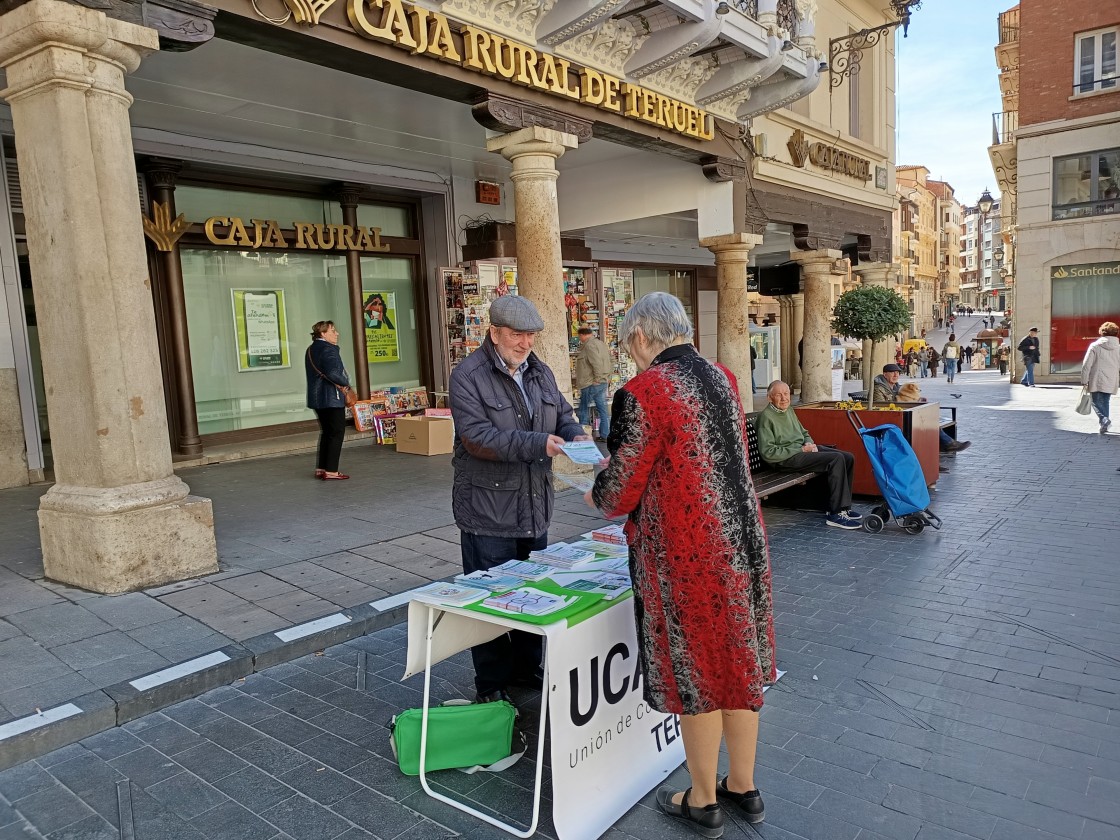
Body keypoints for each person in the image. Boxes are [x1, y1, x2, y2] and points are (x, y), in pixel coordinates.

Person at [586, 292, 775, 836]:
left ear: (643, 337)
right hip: (741, 542)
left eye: (629, 346)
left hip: (686, 553)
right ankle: (744, 784)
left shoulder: (643, 392)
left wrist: (595, 489)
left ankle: (702, 797)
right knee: (737, 662)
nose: (631, 357)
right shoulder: (722, 376)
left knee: (697, 672)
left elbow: (621, 489)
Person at [449, 295, 589, 704]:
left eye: (531, 335)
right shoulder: (468, 375)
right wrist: (538, 443)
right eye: (516, 335)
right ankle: (491, 684)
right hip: (487, 512)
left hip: (533, 507)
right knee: (490, 603)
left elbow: (562, 412)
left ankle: (527, 670)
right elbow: (477, 438)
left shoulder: (539, 371)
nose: (525, 343)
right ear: (494, 333)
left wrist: (574, 432)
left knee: (533, 597)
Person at [758, 381, 862, 530]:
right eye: (778, 395)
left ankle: (844, 507)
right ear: (769, 398)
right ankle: (835, 513)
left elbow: (804, 433)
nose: (784, 398)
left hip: (801, 451)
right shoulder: (766, 418)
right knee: (836, 460)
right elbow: (769, 453)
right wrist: (801, 450)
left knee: (848, 457)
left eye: (786, 394)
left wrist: (808, 444)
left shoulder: (789, 410)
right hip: (784, 459)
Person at [874, 364, 970, 452]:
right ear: (885, 374)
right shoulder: (879, 388)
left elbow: (904, 399)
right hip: (890, 418)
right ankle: (948, 444)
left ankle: (939, 454)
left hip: (902, 415)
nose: (896, 375)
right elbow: (880, 406)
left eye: (898, 372)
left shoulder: (897, 386)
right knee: (925, 423)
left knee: (928, 422)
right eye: (892, 372)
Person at [305, 320, 352, 480]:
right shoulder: (328, 349)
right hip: (331, 397)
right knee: (337, 432)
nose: (337, 333)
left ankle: (322, 468)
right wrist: (346, 384)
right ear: (323, 333)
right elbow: (333, 373)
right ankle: (331, 471)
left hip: (317, 398)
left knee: (327, 432)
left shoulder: (311, 349)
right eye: (333, 330)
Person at [574, 326, 613, 442]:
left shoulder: (589, 345)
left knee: (584, 409)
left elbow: (596, 363)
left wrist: (598, 378)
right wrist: (607, 377)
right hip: (602, 382)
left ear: (582, 335)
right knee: (602, 409)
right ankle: (605, 434)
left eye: (579, 337)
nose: (579, 339)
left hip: (591, 383)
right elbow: (610, 360)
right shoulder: (600, 344)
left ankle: (584, 437)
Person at [1081, 321, 1120, 433]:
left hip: (1097, 377)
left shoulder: (1095, 346)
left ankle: (1104, 419)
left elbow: (1086, 364)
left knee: (1094, 401)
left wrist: (1084, 380)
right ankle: (1104, 425)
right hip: (1112, 378)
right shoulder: (1118, 347)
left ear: (1102, 332)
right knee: (1105, 401)